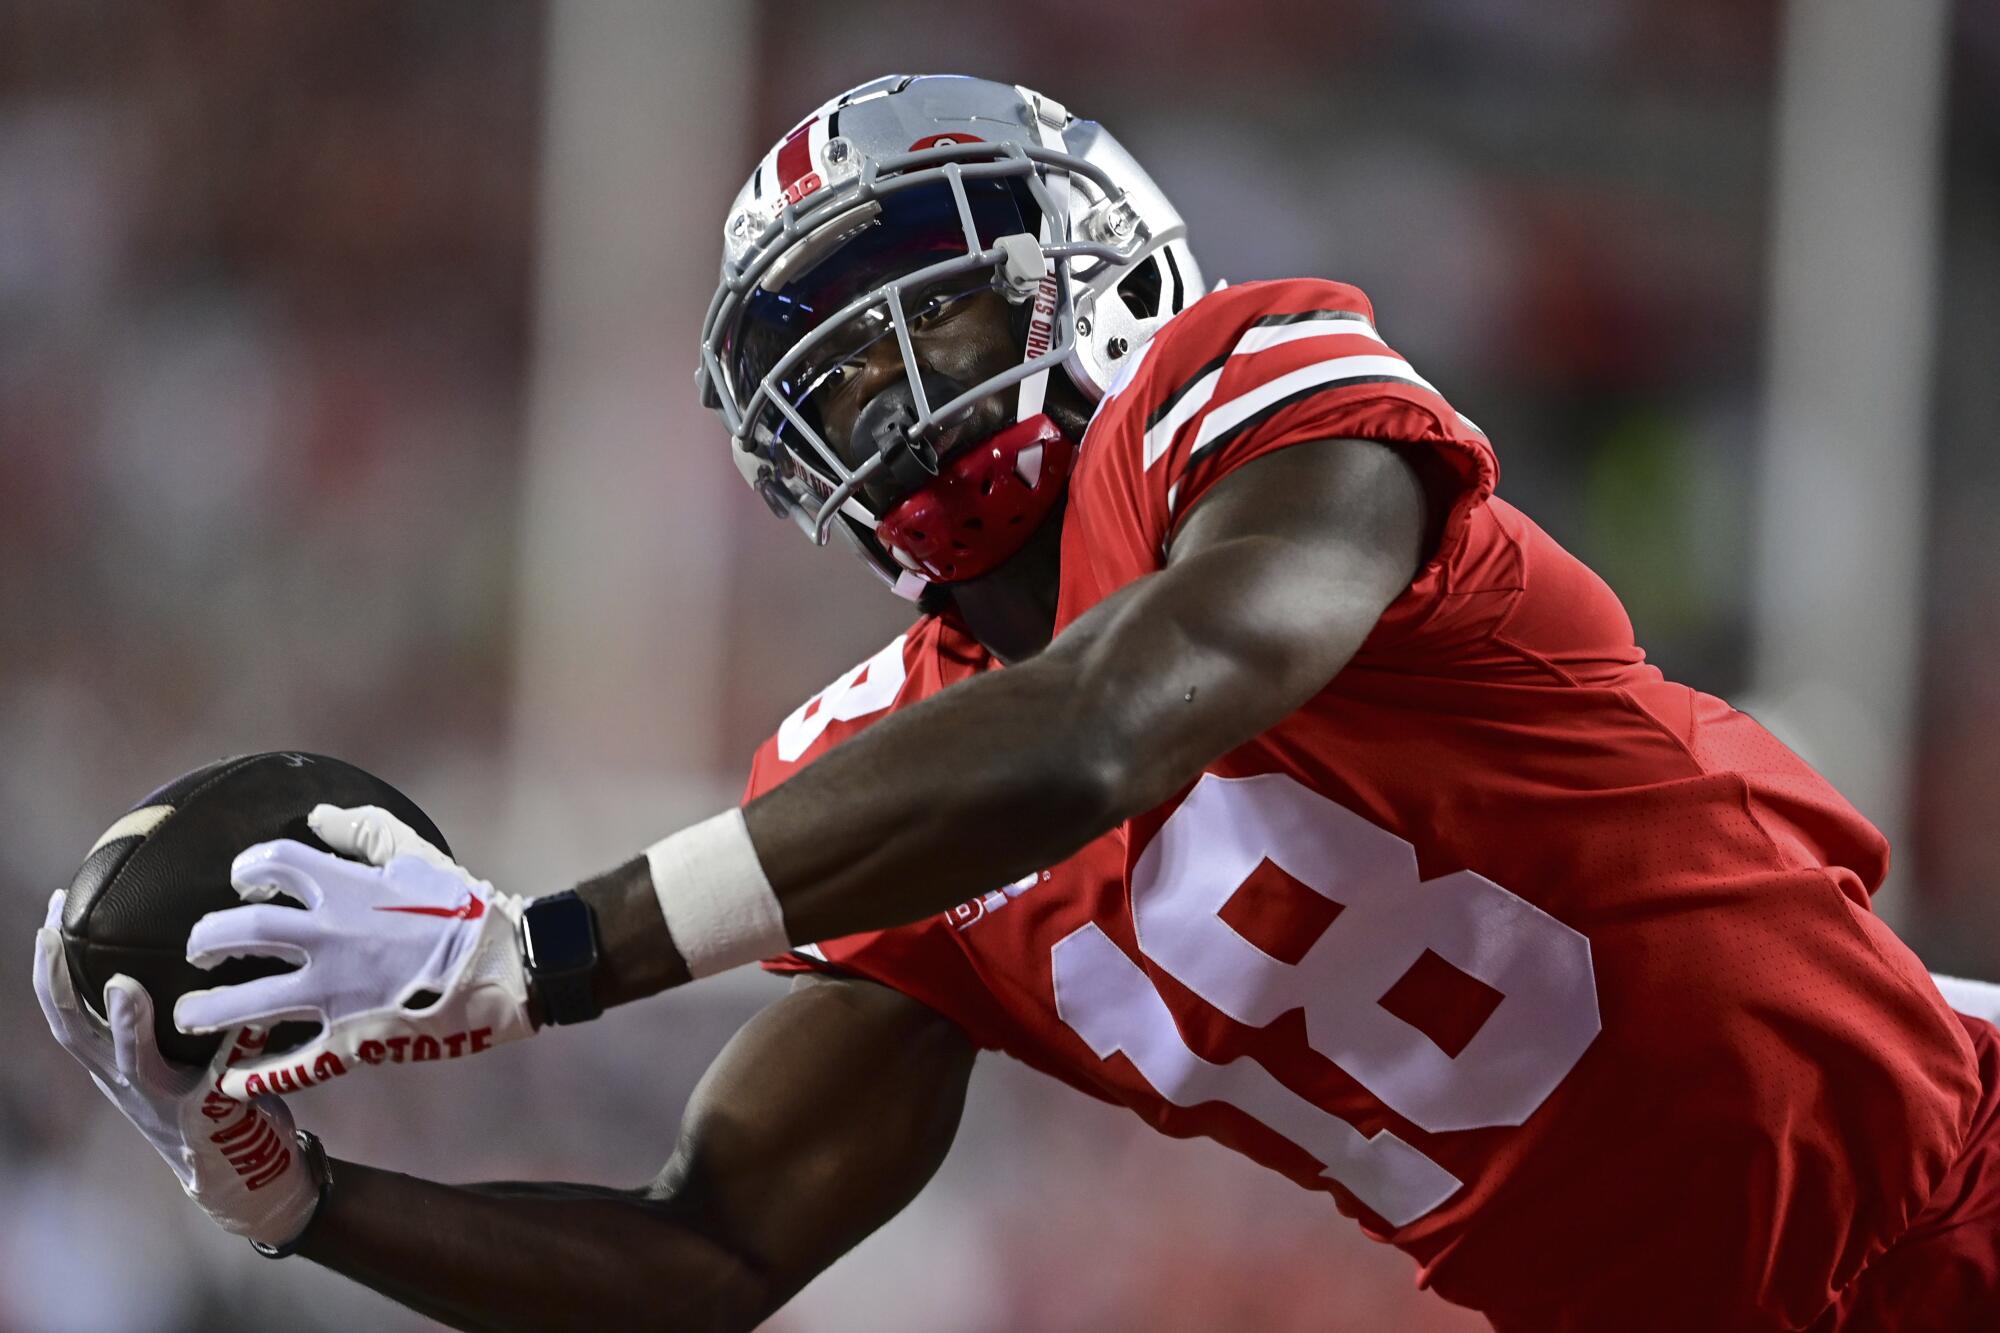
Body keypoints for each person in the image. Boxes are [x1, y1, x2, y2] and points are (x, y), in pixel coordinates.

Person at [33, 74, 2000, 1332]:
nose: (890, 383)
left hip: (1960, 1170)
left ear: (1104, 265)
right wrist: (311, 1210)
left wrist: (547, 952)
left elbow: (1107, 724)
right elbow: (708, 1250)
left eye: (940, 307)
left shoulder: (1252, 393)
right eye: (833, 362)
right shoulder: (867, 782)